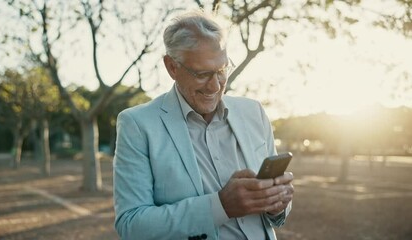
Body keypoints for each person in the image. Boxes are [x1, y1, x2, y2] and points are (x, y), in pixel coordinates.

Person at [113, 11, 294, 240]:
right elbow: (132, 226)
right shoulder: (137, 125)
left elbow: (276, 216)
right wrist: (220, 206)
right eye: (202, 74)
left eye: (221, 71)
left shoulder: (254, 112)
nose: (215, 87)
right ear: (171, 67)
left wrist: (276, 202)